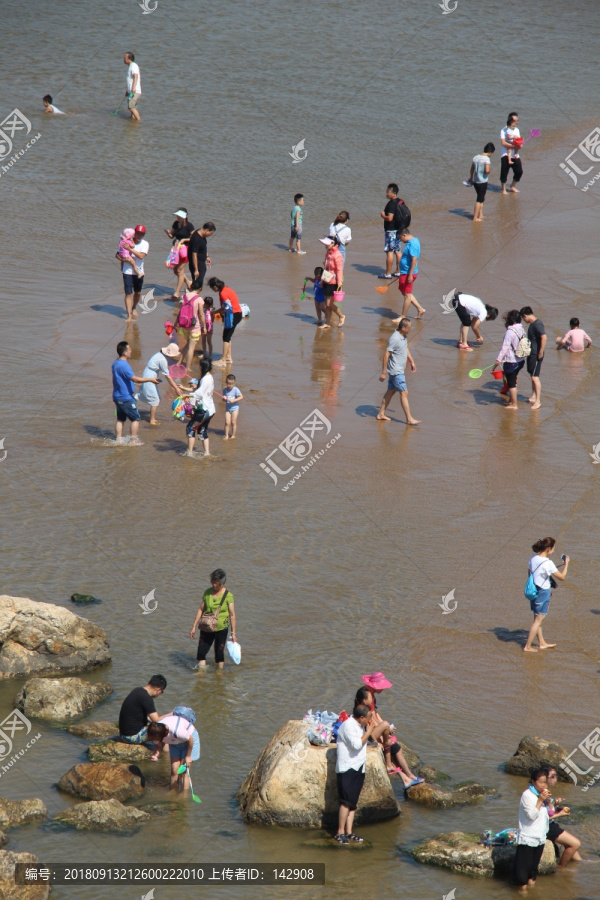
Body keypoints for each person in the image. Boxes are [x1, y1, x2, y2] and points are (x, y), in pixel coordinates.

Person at [356, 674, 423, 789]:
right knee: (393, 748)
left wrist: (385, 727)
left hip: (374, 728)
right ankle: (408, 777)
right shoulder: (366, 698)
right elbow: (371, 719)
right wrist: (385, 727)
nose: (383, 689)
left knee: (396, 749)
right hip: (369, 731)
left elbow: (376, 714)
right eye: (381, 686)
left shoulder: (370, 695)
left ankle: (408, 777)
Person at [334, 703, 388, 844]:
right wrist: (369, 732)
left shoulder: (360, 725)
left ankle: (349, 832)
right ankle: (339, 832)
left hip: (358, 767)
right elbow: (357, 744)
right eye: (369, 717)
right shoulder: (348, 726)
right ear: (362, 717)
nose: (370, 721)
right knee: (345, 802)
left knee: (353, 803)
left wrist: (368, 731)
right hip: (347, 768)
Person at [523, 537, 570, 653]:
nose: (554, 550)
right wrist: (566, 564)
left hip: (533, 590)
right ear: (548, 549)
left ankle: (542, 643)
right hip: (543, 592)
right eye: (553, 548)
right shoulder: (548, 563)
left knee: (536, 617)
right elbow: (562, 577)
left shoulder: (532, 558)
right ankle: (527, 646)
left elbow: (530, 573)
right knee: (538, 620)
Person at [111, 340, 159, 444]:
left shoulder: (115, 363)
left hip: (117, 397)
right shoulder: (124, 365)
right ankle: (133, 441)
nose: (131, 351)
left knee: (120, 419)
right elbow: (135, 379)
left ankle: (118, 440)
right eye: (129, 350)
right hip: (126, 398)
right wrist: (150, 379)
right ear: (125, 352)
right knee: (135, 419)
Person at [189, 568, 237, 669]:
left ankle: (219, 676)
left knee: (219, 655)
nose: (214, 585)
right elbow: (201, 609)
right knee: (201, 653)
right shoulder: (207, 593)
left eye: (216, 583)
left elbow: (232, 615)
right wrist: (193, 627)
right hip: (206, 627)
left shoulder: (228, 596)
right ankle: (201, 676)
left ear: (222, 583)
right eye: (212, 582)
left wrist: (233, 633)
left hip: (221, 628)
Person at [377, 318, 420, 426]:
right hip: (396, 371)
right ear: (403, 328)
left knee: (391, 391)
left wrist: (412, 361)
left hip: (398, 370)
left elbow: (405, 348)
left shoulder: (403, 336)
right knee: (404, 392)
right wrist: (383, 372)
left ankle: (381, 414)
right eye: (409, 328)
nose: (411, 329)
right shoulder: (395, 338)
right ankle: (409, 419)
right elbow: (386, 355)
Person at [513, 767, 550, 891]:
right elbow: (531, 815)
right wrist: (540, 800)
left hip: (540, 837)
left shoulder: (543, 795)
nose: (543, 785)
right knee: (522, 876)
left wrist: (550, 802)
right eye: (540, 782)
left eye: (545, 782)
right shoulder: (527, 795)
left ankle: (533, 894)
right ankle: (522, 894)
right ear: (533, 782)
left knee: (533, 873)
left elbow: (549, 814)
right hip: (528, 837)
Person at [148, 708, 200, 790]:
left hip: (189, 740)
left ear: (163, 735)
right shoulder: (156, 730)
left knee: (183, 772)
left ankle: (184, 797)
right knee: (174, 770)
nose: (155, 740)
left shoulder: (177, 731)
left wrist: (188, 756)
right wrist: (156, 754)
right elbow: (158, 745)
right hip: (175, 742)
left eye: (157, 738)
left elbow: (190, 739)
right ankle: (172, 791)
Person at [541, 765, 582, 867]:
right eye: (553, 776)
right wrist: (560, 814)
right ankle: (562, 868)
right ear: (545, 778)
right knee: (575, 844)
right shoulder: (542, 794)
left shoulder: (546, 791)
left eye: (556, 775)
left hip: (550, 824)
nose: (556, 778)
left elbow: (548, 811)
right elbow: (541, 818)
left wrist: (555, 804)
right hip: (545, 827)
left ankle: (581, 864)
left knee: (573, 849)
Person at [136, 344, 181, 426]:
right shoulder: (162, 360)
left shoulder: (159, 355)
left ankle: (131, 408)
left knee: (148, 396)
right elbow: (168, 377)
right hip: (150, 377)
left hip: (149, 374)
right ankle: (152, 420)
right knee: (155, 400)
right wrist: (176, 388)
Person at [118, 675, 168, 744]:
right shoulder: (146, 698)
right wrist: (172, 713)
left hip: (123, 734)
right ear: (158, 689)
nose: (160, 694)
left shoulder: (138, 690)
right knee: (164, 728)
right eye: (161, 692)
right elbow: (156, 720)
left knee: (155, 725)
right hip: (131, 737)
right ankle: (165, 752)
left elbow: (145, 716)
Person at [492, 309, 525, 410]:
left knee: (511, 384)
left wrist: (498, 360)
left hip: (512, 361)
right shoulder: (522, 329)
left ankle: (514, 404)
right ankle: (511, 401)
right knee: (513, 381)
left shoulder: (509, 332)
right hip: (521, 360)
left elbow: (505, 347)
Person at [207, 278, 243, 366]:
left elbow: (227, 308)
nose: (212, 290)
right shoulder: (226, 289)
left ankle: (223, 360)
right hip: (237, 314)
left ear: (215, 287)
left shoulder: (223, 293)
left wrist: (216, 313)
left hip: (233, 315)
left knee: (226, 337)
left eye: (212, 288)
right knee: (228, 336)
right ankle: (228, 357)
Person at [184, 357, 215, 457]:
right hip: (210, 410)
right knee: (202, 430)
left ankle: (190, 452)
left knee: (190, 428)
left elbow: (199, 393)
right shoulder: (209, 377)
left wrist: (187, 395)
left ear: (203, 367)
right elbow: (200, 390)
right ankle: (207, 453)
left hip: (204, 410)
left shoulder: (205, 379)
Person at [379, 183, 411, 279]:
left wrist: (383, 215)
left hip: (391, 231)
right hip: (398, 230)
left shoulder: (392, 203)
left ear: (393, 193)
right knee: (397, 251)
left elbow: (389, 218)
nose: (386, 193)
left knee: (389, 251)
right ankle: (398, 271)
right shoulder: (400, 201)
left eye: (388, 192)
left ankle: (388, 273)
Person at [117, 225, 148, 321]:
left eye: (141, 234)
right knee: (128, 294)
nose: (139, 236)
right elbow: (117, 255)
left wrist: (130, 249)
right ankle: (129, 316)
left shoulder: (145, 244)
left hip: (139, 272)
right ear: (134, 233)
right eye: (138, 233)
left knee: (138, 293)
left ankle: (134, 307)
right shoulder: (126, 241)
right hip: (127, 271)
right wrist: (123, 259)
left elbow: (141, 256)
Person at [165, 209, 195, 300]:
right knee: (175, 270)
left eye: (180, 216)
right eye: (177, 215)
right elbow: (172, 236)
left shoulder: (189, 226)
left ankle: (177, 293)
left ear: (185, 216)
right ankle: (189, 283)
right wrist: (168, 233)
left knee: (180, 271)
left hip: (185, 250)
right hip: (176, 249)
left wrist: (184, 240)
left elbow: (194, 238)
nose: (178, 217)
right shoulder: (175, 223)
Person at [520, 306, 546, 410]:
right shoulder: (532, 324)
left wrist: (540, 352)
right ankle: (534, 396)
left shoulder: (537, 324)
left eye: (523, 319)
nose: (524, 321)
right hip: (532, 354)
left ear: (525, 316)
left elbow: (544, 337)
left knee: (535, 377)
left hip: (536, 354)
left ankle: (538, 401)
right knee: (532, 375)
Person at [318, 237, 345, 329]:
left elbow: (339, 270)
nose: (325, 245)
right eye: (325, 244)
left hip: (333, 282)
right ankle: (327, 323)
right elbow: (325, 269)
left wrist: (339, 281)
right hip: (326, 280)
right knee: (327, 304)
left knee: (329, 304)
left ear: (333, 243)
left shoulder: (337, 255)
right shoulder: (328, 254)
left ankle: (341, 316)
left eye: (327, 244)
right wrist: (322, 281)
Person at [398, 228, 425, 319]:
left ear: (404, 235)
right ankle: (420, 309)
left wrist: (410, 275)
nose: (401, 240)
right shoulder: (412, 242)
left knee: (407, 295)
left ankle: (403, 316)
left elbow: (414, 259)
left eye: (400, 238)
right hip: (404, 272)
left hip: (408, 273)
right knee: (404, 293)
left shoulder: (413, 243)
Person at [175, 291, 206, 372]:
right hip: (194, 327)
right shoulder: (199, 299)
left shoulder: (184, 296)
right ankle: (188, 367)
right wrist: (204, 326)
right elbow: (201, 314)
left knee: (187, 345)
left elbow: (180, 311)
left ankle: (179, 362)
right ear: (199, 289)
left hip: (184, 325)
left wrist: (176, 323)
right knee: (191, 348)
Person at [466, 143, 495, 221]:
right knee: (479, 199)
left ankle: (480, 214)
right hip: (482, 181)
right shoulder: (486, 159)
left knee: (481, 197)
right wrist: (489, 172)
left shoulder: (476, 157)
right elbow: (487, 170)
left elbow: (472, 169)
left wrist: (471, 177)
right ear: (490, 152)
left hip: (475, 181)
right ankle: (475, 217)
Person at [188, 222, 216, 290]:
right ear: (207, 230)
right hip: (197, 264)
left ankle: (193, 295)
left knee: (198, 283)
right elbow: (194, 255)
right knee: (198, 284)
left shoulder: (200, 233)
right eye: (211, 233)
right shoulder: (196, 239)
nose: (210, 235)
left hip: (201, 263)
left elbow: (203, 247)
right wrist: (196, 270)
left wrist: (207, 256)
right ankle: (194, 297)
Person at [500, 112, 522, 195]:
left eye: (517, 120)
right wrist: (513, 146)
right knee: (504, 172)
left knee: (519, 171)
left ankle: (512, 186)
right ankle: (503, 189)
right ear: (510, 120)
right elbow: (503, 143)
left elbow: (518, 141)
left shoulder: (517, 130)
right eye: (515, 120)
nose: (517, 122)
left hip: (515, 154)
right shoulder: (504, 130)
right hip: (505, 154)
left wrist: (519, 145)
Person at [222, 374, 243, 440]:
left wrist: (234, 400)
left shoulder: (236, 389)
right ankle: (226, 435)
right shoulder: (224, 390)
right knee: (227, 422)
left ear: (234, 383)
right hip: (228, 408)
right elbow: (223, 400)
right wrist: (224, 398)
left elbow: (241, 397)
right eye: (228, 383)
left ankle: (233, 435)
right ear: (226, 382)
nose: (230, 385)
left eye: (231, 384)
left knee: (233, 422)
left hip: (235, 408)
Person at [124, 52, 141, 122]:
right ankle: (133, 123)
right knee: (132, 108)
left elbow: (135, 76)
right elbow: (130, 80)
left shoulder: (133, 65)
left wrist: (133, 88)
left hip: (135, 91)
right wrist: (127, 91)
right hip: (131, 91)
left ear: (129, 59)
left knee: (131, 107)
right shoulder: (130, 66)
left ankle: (139, 121)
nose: (123, 59)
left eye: (125, 58)